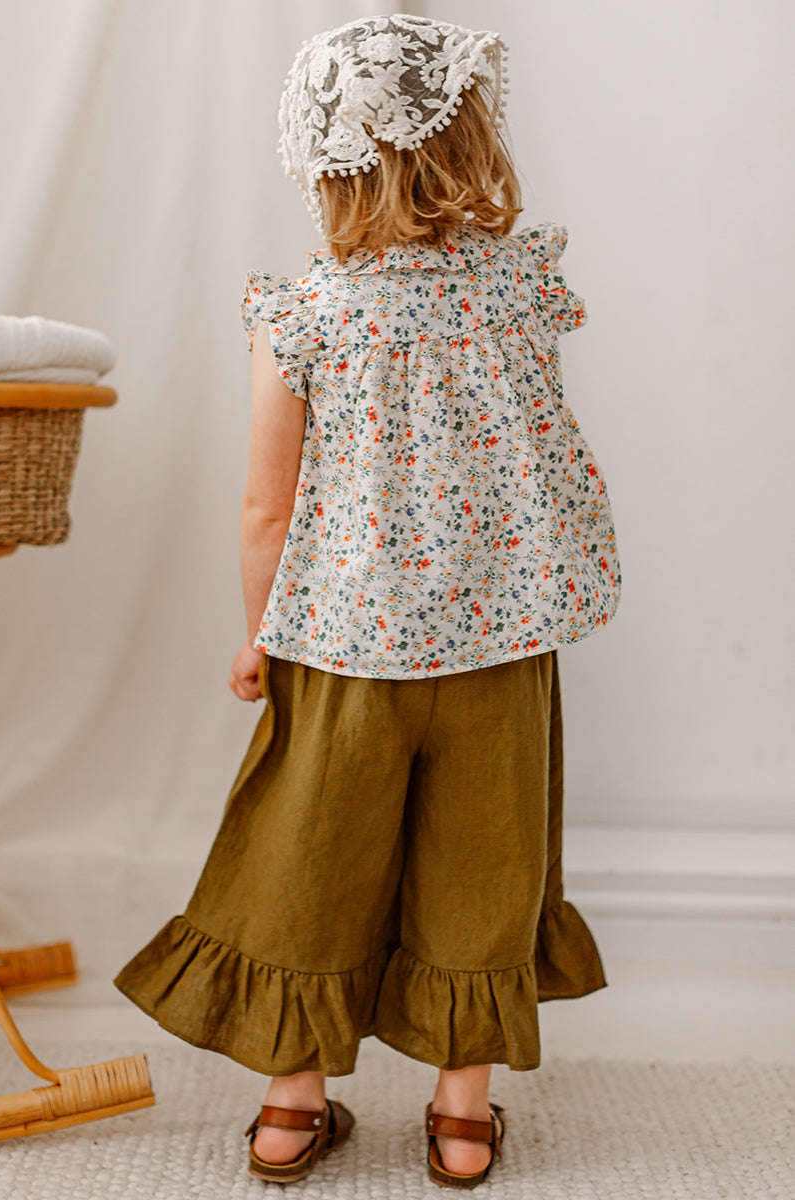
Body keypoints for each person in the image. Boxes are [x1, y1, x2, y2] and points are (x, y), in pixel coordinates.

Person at [115, 12, 620, 1189]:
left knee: (309, 858)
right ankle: (460, 1115)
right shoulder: (521, 286)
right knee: (486, 867)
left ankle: (291, 1107)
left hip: (345, 648)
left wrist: (259, 638)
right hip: (499, 642)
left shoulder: (305, 311)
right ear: (472, 141)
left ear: (322, 159)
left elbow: (267, 508)